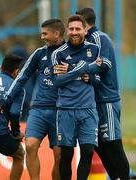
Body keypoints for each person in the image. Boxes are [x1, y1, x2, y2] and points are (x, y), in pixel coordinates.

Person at [0, 19, 66, 180]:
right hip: (38, 109)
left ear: (57, 34)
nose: (42, 37)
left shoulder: (70, 53)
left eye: (45, 33)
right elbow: (21, 78)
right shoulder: (39, 53)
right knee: (31, 145)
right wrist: (5, 100)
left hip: (61, 110)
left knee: (60, 156)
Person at [76, 8, 130, 179]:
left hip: (106, 100)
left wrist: (84, 70)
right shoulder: (85, 42)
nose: (74, 30)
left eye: (77, 25)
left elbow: (103, 65)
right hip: (92, 103)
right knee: (99, 145)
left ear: (84, 24)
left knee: (113, 144)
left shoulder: (100, 38)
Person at [50, 15, 101, 180]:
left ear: (85, 30)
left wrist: (83, 74)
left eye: (78, 29)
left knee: (87, 151)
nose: (74, 32)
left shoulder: (94, 49)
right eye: (71, 29)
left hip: (88, 109)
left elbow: (98, 76)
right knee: (66, 154)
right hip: (66, 109)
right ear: (67, 31)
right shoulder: (58, 53)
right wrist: (82, 70)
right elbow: (57, 81)